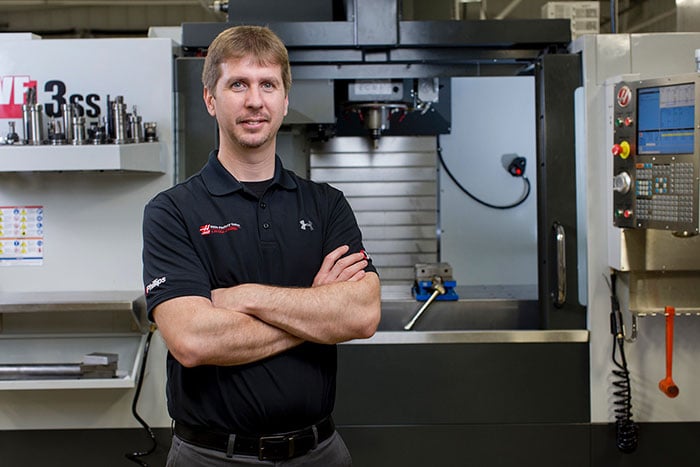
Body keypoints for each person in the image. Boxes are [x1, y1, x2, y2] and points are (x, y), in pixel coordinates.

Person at [141, 25, 381, 466]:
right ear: (211, 99)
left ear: (285, 100)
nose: (255, 100)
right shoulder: (172, 211)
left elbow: (362, 314)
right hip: (210, 456)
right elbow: (192, 339)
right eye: (238, 84)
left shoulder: (327, 205)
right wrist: (317, 310)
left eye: (268, 84)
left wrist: (244, 298)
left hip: (320, 452)